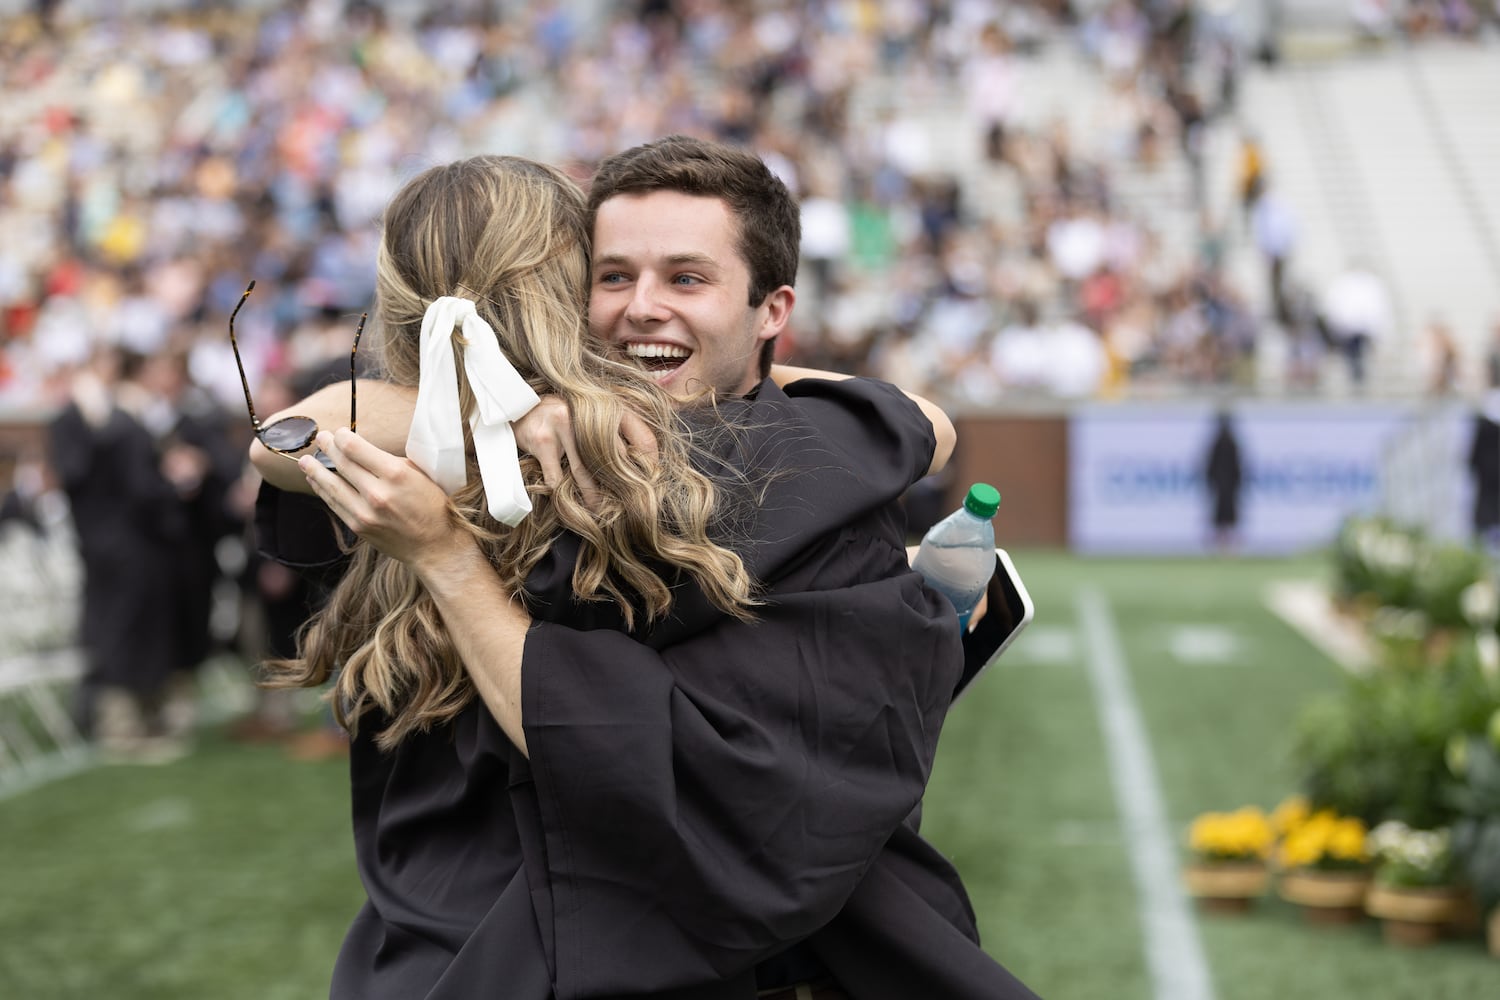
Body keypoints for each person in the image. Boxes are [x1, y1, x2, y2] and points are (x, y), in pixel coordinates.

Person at [252, 141, 1038, 999]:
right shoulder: (726, 465)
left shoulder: (405, 465)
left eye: (686, 280)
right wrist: (533, 417)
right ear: (565, 291)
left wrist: (534, 411)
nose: (642, 308)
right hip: (634, 948)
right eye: (611, 276)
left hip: (422, 953)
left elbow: (286, 435)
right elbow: (920, 423)